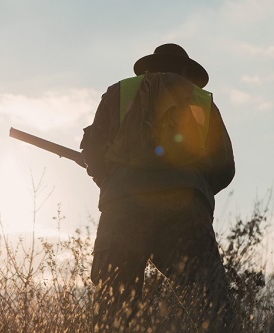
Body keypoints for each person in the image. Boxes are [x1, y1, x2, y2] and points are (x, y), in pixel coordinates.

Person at [80, 43, 235, 332]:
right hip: (186, 211)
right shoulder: (201, 102)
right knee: (212, 305)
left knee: (115, 309)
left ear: (149, 67)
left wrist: (115, 183)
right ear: (187, 71)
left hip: (122, 210)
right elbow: (224, 167)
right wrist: (194, 190)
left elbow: (94, 151)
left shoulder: (118, 93)